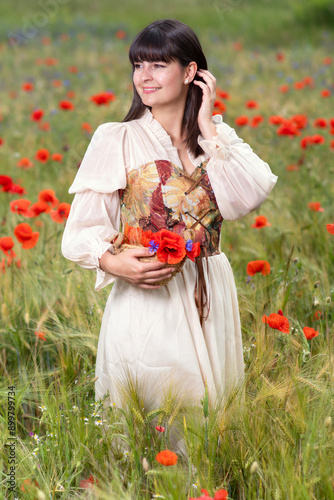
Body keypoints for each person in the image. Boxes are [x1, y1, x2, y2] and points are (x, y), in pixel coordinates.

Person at [61, 19, 277, 412]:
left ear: (190, 71)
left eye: (158, 65)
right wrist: (114, 263)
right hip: (147, 294)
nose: (144, 77)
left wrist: (207, 124)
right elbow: (79, 231)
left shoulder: (216, 139)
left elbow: (251, 194)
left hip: (210, 289)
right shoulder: (117, 137)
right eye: (138, 65)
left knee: (210, 420)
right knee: (153, 413)